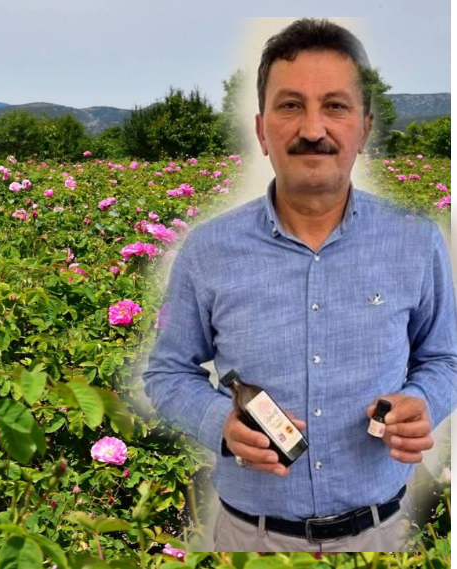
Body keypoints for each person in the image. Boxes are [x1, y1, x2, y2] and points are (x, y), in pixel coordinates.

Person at [141, 18, 456, 552]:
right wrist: (220, 419)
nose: (313, 129)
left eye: (335, 106)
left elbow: (446, 357)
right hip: (250, 541)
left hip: (380, 538)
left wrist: (422, 399)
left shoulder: (415, 241)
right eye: (290, 106)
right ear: (263, 131)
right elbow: (168, 371)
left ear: (363, 128)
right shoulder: (209, 250)